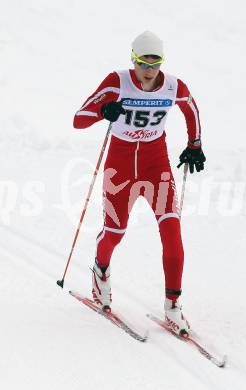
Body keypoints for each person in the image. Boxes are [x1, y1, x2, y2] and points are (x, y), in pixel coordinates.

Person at [73, 31, 206, 336]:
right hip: (120, 168)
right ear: (132, 59)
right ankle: (100, 269)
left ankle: (173, 306)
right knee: (115, 233)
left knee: (172, 231)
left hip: (155, 166)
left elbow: (191, 109)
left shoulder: (173, 85)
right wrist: (103, 111)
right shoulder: (116, 81)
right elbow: (79, 118)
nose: (148, 70)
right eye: (142, 62)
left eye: (155, 63)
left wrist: (195, 144)